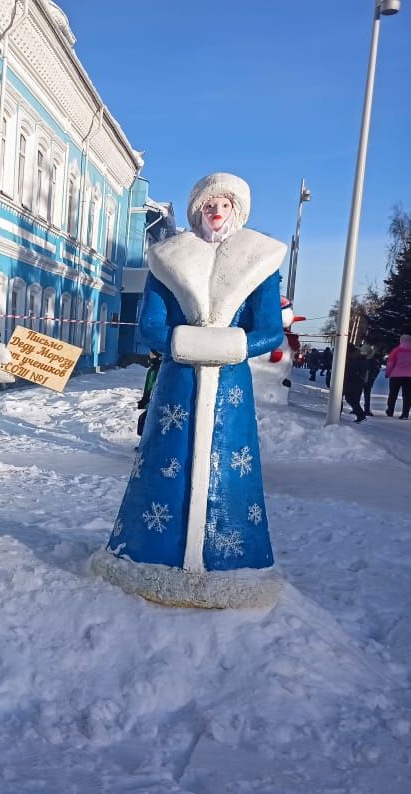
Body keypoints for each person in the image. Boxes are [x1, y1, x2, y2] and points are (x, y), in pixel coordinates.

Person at [93, 172, 286, 609]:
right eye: (208, 205)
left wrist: (227, 345)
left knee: (228, 463)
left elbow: (270, 331)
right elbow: (151, 326)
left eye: (224, 205)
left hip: (230, 386)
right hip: (177, 385)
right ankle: (149, 553)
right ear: (197, 211)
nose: (216, 213)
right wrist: (189, 344)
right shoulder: (168, 259)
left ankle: (230, 558)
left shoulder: (260, 262)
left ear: (236, 211)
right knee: (167, 459)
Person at [136, 350, 162, 438]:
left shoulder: (158, 369)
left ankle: (147, 443)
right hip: (151, 400)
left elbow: (153, 387)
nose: (150, 355)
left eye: (153, 353)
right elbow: (148, 386)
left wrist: (147, 400)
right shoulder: (153, 368)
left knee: (146, 421)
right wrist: (144, 399)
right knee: (145, 421)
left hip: (155, 401)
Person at [385, 333, 411, 419]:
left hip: (395, 375)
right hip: (409, 376)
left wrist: (388, 373)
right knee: (407, 396)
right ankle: (405, 414)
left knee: (393, 394)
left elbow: (390, 363)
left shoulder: (396, 350)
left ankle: (390, 411)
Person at [342, 343, 368, 423]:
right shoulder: (359, 356)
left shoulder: (352, 358)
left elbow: (349, 370)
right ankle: (360, 415)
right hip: (357, 381)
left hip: (351, 380)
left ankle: (361, 416)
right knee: (351, 399)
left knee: (347, 398)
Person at [362, 346, 382, 415]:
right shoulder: (374, 361)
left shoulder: (364, 360)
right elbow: (376, 370)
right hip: (367, 380)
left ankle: (361, 409)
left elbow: (376, 370)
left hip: (363, 380)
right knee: (366, 394)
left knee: (361, 394)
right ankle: (366, 409)